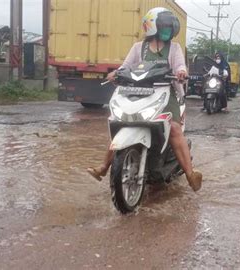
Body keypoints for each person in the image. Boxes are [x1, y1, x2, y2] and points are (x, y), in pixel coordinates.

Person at [87, 7, 202, 192]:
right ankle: (103, 167)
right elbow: (125, 67)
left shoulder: (174, 48)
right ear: (152, 27)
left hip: (165, 92)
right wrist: (115, 73)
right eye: (165, 27)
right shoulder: (138, 47)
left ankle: (190, 174)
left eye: (170, 27)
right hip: (136, 91)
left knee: (174, 128)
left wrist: (181, 72)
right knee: (121, 121)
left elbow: (180, 65)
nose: (168, 31)